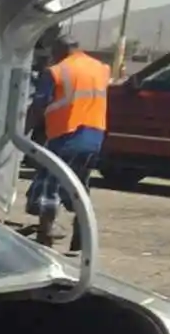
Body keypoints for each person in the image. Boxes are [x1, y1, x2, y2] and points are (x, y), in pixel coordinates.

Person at [24, 35, 111, 250]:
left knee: (48, 184)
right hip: (95, 136)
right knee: (78, 185)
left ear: (59, 49)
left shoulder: (55, 71)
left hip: (67, 135)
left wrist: (21, 134)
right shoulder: (100, 68)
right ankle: (82, 230)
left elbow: (38, 106)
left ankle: (45, 235)